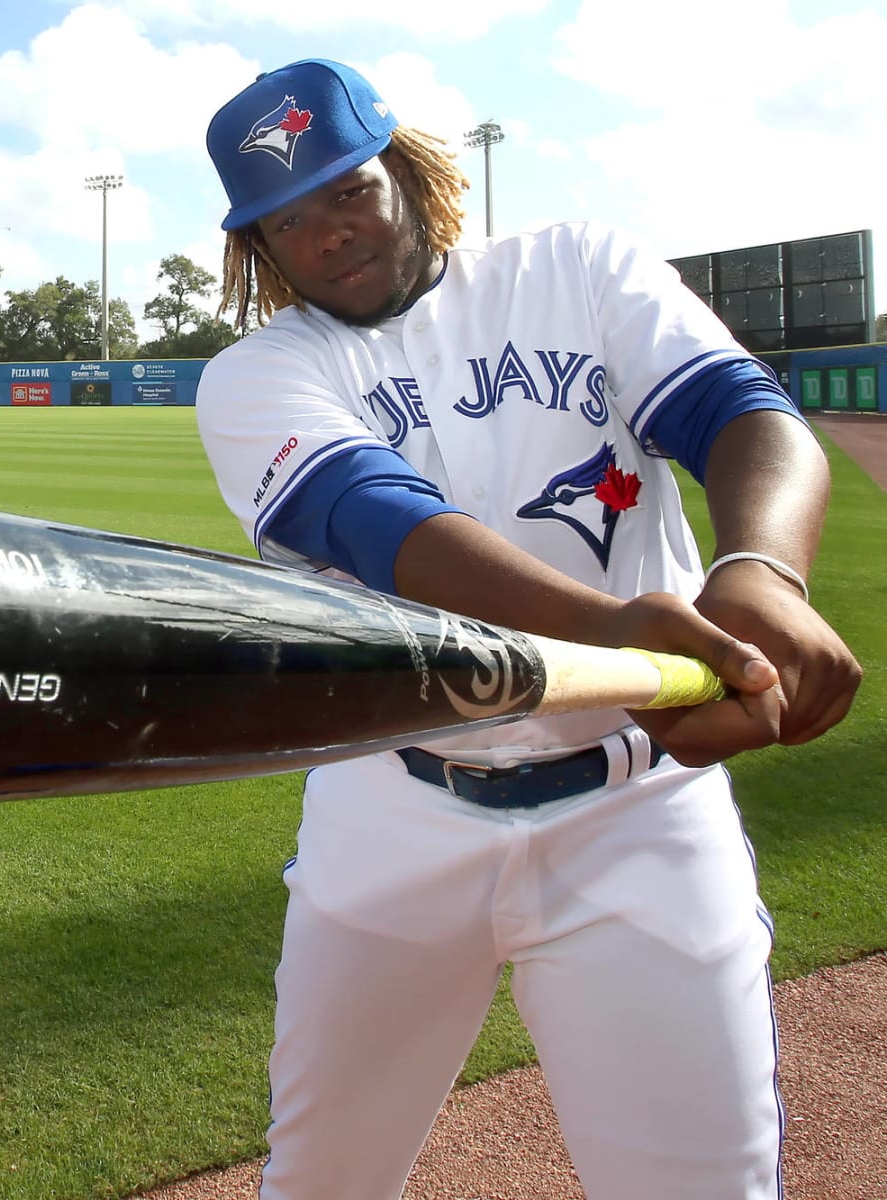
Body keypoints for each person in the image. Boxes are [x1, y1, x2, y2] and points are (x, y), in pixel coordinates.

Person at [194, 58, 861, 1200]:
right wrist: (625, 644)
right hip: (390, 813)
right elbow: (385, 526)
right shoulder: (257, 374)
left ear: (402, 171)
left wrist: (761, 575)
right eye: (287, 222)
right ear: (259, 251)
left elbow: (745, 413)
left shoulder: (573, 267)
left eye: (346, 191)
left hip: (638, 814)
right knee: (321, 1183)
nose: (328, 236)